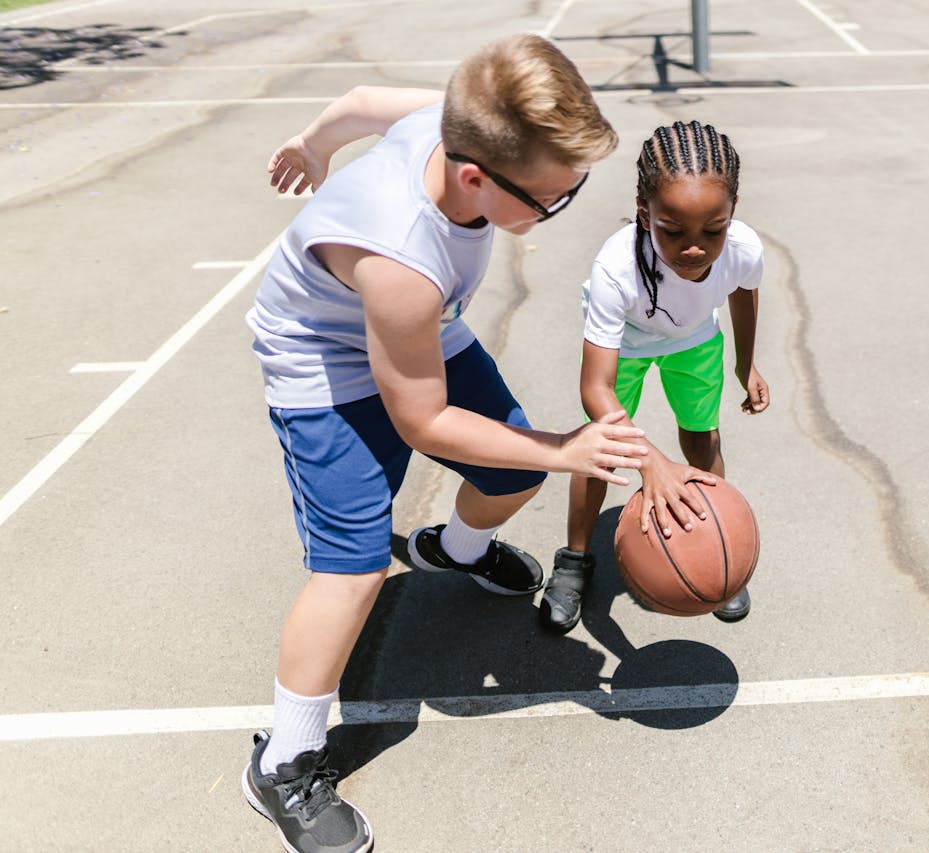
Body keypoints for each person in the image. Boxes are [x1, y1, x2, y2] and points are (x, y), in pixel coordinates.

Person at [240, 35, 647, 853]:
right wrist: (566, 447)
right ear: (475, 178)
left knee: (508, 468)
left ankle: (453, 550)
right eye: (551, 199)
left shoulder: (456, 119)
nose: (559, 208)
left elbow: (359, 99)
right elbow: (420, 420)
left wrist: (312, 146)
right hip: (324, 360)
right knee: (350, 569)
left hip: (424, 332)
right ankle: (283, 761)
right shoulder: (401, 257)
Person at [539, 119, 769, 635]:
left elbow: (743, 292)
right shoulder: (615, 269)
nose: (695, 249)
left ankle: (712, 540)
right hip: (628, 343)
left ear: (732, 215)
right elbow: (596, 388)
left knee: (701, 435)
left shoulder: (744, 248)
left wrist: (744, 362)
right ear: (645, 214)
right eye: (673, 231)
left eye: (714, 230)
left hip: (694, 339)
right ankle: (575, 560)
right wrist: (649, 461)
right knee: (600, 450)